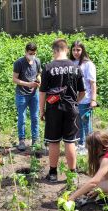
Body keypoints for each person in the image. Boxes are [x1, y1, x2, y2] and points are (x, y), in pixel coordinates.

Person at [39, 38, 85, 182]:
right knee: (70, 142)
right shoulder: (75, 67)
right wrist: (74, 102)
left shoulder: (48, 67)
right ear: (66, 49)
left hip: (53, 109)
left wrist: (42, 110)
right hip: (71, 109)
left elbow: (42, 92)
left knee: (53, 142)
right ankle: (72, 175)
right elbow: (82, 92)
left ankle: (53, 174)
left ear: (54, 50)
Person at [13, 42, 42, 151]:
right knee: (22, 118)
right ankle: (22, 140)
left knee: (35, 117)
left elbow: (38, 73)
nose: (32, 55)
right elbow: (14, 79)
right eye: (30, 53)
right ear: (25, 52)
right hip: (22, 94)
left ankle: (35, 139)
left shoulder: (37, 61)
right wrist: (28, 84)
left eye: (34, 53)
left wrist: (39, 80)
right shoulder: (19, 63)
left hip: (34, 94)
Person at [69, 40, 97, 155]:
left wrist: (93, 100)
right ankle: (80, 144)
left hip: (85, 98)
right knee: (77, 122)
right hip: (73, 99)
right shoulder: (70, 63)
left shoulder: (88, 64)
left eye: (78, 50)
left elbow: (93, 83)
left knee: (86, 123)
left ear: (83, 50)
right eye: (74, 50)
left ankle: (89, 146)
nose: (76, 52)